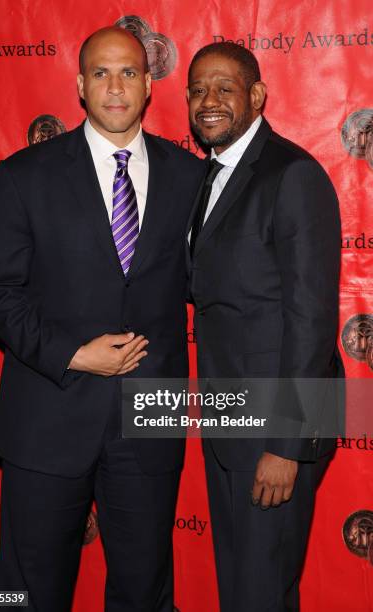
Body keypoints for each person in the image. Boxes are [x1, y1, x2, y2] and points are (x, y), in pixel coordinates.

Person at [0, 27, 204, 612]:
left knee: (143, 593)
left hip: (150, 419)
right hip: (48, 415)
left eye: (128, 72)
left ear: (150, 85)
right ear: (79, 85)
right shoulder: (24, 174)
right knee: (22, 594)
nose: (115, 86)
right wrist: (74, 353)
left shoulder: (191, 176)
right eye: (100, 73)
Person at [186, 42, 343, 611]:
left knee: (260, 590)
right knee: (246, 587)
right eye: (198, 89)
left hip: (276, 424)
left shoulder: (292, 174)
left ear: (257, 95)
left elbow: (312, 318)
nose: (210, 101)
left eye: (225, 88)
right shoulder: (212, 175)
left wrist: (286, 445)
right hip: (231, 413)